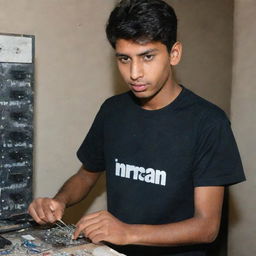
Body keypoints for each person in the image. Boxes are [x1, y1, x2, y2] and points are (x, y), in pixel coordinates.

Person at [28, 0, 246, 255]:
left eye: (147, 57)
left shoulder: (209, 123)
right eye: (124, 59)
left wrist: (128, 232)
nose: (134, 73)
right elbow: (86, 175)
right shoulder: (112, 111)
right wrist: (59, 201)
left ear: (174, 54)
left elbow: (207, 227)